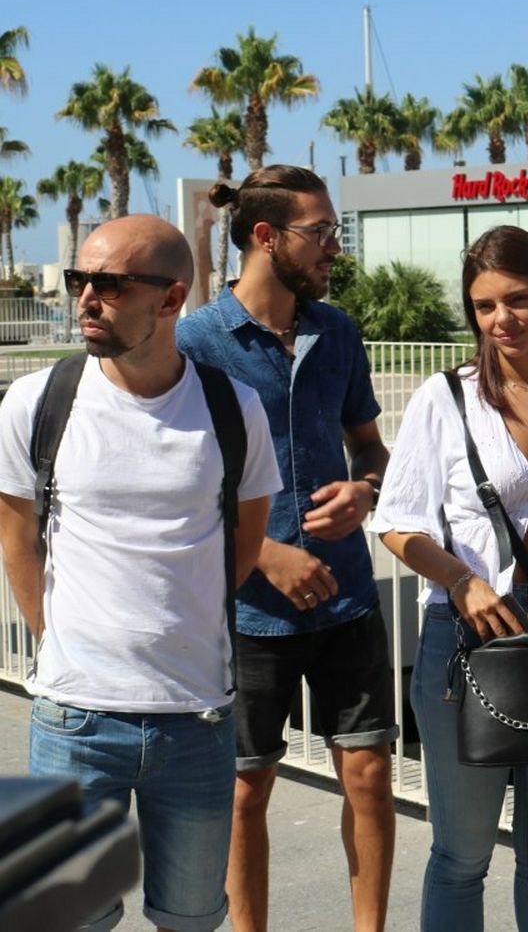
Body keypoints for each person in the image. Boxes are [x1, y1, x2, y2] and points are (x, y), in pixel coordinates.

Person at [0, 216, 281, 932]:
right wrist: (63, 641)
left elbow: (242, 546)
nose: (86, 298)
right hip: (75, 720)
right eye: (79, 281)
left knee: (190, 917)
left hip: (197, 717)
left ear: (170, 298)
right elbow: (19, 543)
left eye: (110, 284)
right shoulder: (37, 404)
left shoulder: (232, 408)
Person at [177, 166, 395, 932]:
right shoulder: (194, 343)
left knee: (369, 775)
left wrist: (366, 490)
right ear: (266, 238)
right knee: (245, 790)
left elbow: (370, 446)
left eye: (336, 229)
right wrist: (265, 554)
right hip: (244, 608)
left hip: (348, 597)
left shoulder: (337, 333)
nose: (336, 245)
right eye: (323, 231)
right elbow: (172, 480)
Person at [371, 226, 528, 932]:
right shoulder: (445, 398)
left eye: (518, 299)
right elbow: (397, 520)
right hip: (467, 640)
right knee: (461, 854)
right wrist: (461, 581)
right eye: (484, 306)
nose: (502, 319)